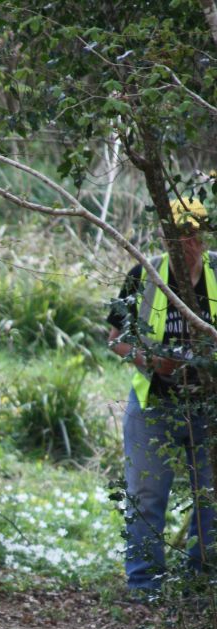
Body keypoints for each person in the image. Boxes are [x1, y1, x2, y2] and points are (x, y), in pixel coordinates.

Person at [107, 197, 217, 596]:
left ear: (203, 236)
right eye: (177, 235)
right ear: (163, 235)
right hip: (153, 404)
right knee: (146, 495)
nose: (186, 243)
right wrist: (150, 360)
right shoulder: (145, 274)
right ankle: (144, 586)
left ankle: (202, 583)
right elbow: (114, 340)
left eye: (192, 234)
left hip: (209, 407)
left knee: (211, 497)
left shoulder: (216, 273)